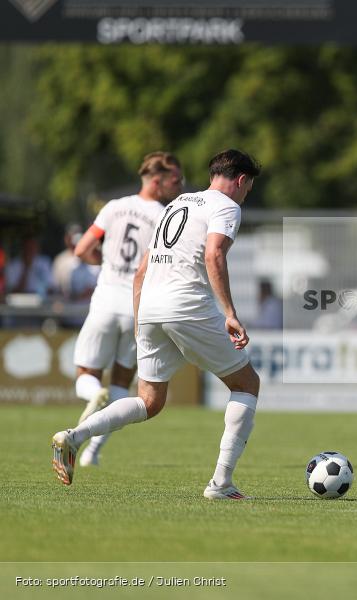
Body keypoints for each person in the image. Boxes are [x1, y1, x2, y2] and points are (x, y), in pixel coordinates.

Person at [52, 149, 263, 501]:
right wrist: (229, 312)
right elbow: (214, 255)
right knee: (247, 384)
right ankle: (221, 484)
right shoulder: (226, 207)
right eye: (248, 188)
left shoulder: (177, 203)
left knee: (148, 400)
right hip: (187, 304)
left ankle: (74, 435)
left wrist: (140, 322)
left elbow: (142, 271)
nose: (245, 195)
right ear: (240, 180)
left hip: (150, 305)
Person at [69, 151, 184, 466]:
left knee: (85, 375)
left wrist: (102, 261)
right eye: (176, 180)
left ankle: (93, 394)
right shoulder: (165, 216)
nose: (180, 185)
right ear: (157, 181)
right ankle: (93, 451)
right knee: (122, 385)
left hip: (105, 301)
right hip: (138, 307)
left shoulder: (114, 207)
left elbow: (82, 249)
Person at [51, 224, 83, 299]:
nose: (73, 239)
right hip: (65, 303)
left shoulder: (89, 257)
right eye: (70, 236)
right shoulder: (60, 259)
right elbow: (55, 285)